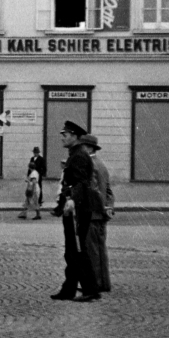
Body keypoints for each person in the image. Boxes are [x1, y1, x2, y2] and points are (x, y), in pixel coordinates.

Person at [50, 120, 101, 302]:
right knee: (72, 251)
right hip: (74, 208)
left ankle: (91, 290)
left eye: (65, 135)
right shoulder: (76, 153)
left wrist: (71, 200)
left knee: (78, 250)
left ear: (74, 136)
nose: (62, 138)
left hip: (77, 209)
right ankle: (68, 290)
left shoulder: (79, 155)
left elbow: (80, 182)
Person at [81, 134, 114, 292]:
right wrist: (107, 209)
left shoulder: (89, 165)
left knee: (91, 250)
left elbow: (93, 191)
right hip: (101, 215)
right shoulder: (102, 165)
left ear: (88, 148)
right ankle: (104, 283)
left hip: (92, 214)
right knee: (101, 250)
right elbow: (108, 192)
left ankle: (95, 284)